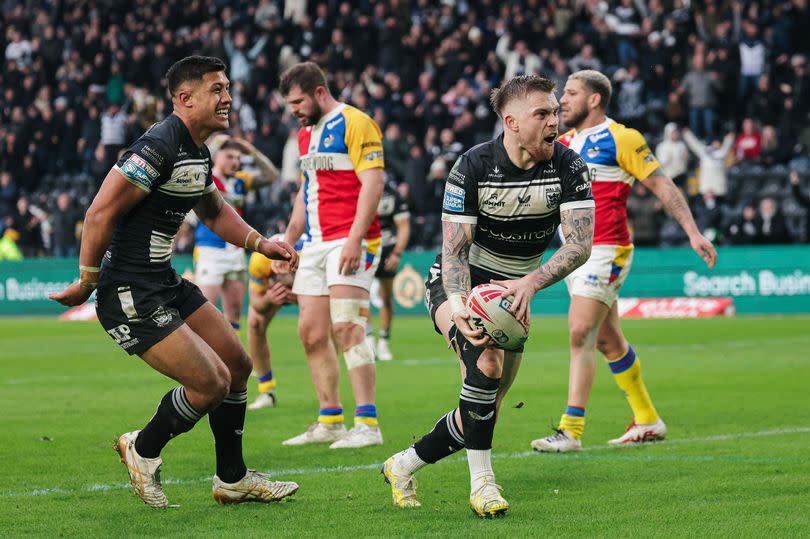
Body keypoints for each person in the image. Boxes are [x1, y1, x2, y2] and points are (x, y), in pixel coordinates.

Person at [48, 56, 300, 508]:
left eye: (227, 88)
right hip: (128, 290)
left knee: (238, 365)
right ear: (184, 98)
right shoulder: (157, 146)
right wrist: (87, 282)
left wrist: (261, 244)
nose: (227, 97)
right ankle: (142, 450)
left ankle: (232, 478)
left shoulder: (197, 150)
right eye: (216, 89)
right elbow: (99, 212)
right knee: (212, 383)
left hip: (162, 280)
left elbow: (213, 210)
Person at [381, 75, 595, 516]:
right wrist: (460, 307)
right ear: (511, 121)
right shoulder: (473, 166)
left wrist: (530, 284)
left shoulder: (569, 166)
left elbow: (579, 245)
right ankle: (483, 486)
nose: (554, 121)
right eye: (543, 114)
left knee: (485, 408)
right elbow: (454, 251)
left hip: (516, 292)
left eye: (555, 112)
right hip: (461, 285)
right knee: (487, 364)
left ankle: (403, 464)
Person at [533, 70, 717, 452]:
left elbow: (661, 184)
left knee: (579, 331)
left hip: (606, 250)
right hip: (572, 253)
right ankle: (648, 419)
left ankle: (570, 431)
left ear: (595, 99)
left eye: (570, 93)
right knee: (607, 340)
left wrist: (693, 231)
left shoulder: (623, 138)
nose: (562, 101)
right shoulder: (562, 143)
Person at [278, 61, 385, 449]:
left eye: (297, 101)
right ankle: (330, 419)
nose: (293, 110)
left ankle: (368, 425)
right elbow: (305, 193)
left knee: (347, 327)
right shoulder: (306, 134)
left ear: (319, 92)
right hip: (317, 242)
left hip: (352, 239)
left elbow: (374, 181)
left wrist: (356, 239)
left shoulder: (357, 123)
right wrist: (289, 240)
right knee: (310, 332)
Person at [193, 135, 279, 332]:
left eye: (238, 158)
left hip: (236, 251)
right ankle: (207, 361)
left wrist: (252, 151)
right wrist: (213, 146)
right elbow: (198, 160)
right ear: (217, 157)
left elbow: (270, 175)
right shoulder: (205, 178)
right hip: (210, 250)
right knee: (206, 314)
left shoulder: (240, 182)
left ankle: (230, 362)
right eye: (230, 157)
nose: (235, 162)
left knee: (233, 315)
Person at [245, 244, 297, 410]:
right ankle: (267, 392)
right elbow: (256, 304)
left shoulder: (306, 256)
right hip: (272, 290)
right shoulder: (260, 261)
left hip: (311, 289)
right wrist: (268, 299)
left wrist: (302, 298)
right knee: (255, 323)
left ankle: (330, 400)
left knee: (317, 332)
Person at [367, 179, 411, 361]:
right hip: (364, 248)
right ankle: (368, 340)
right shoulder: (355, 189)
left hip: (386, 248)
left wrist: (397, 253)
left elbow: (403, 226)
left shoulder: (392, 195)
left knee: (386, 297)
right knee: (361, 298)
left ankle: (383, 342)